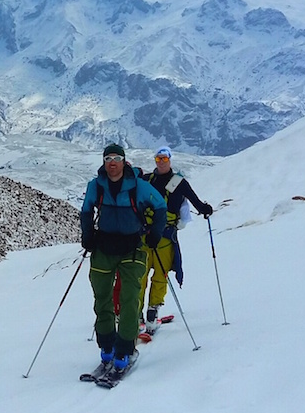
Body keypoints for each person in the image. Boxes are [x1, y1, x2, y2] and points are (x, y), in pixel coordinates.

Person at [80, 142, 167, 375]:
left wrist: (155, 235)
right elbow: (86, 211)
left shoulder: (137, 186)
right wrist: (87, 235)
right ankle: (107, 348)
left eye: (116, 159)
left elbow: (160, 207)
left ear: (123, 161)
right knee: (102, 300)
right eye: (108, 159)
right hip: (103, 248)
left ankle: (123, 350)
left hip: (132, 249)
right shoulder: (96, 186)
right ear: (104, 162)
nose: (112, 163)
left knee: (129, 300)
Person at [139, 145, 214, 333]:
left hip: (144, 236)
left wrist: (204, 208)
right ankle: (151, 312)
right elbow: (196, 202)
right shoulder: (178, 182)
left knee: (141, 275)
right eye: (159, 159)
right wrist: (205, 210)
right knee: (158, 275)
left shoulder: (146, 180)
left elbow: (196, 202)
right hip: (164, 236)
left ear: (170, 159)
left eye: (164, 159)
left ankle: (138, 314)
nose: (161, 162)